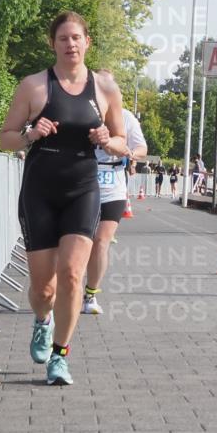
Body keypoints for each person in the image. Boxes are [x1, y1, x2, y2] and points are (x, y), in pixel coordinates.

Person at [0, 11, 128, 385]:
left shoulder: (105, 88)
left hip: (84, 189)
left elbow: (123, 144)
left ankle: (60, 356)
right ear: (52, 44)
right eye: (63, 38)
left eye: (76, 37)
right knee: (43, 289)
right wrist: (30, 133)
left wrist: (107, 140)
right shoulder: (34, 86)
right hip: (40, 189)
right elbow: (4, 138)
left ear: (87, 42)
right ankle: (42, 320)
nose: (70, 44)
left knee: (72, 275)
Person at [81, 71, 148, 315]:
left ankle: (90, 295)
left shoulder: (127, 117)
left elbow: (142, 146)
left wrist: (132, 153)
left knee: (101, 241)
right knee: (80, 241)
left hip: (114, 184)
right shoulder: (84, 111)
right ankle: (68, 288)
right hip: (84, 179)